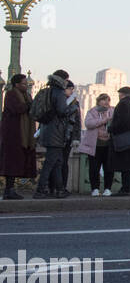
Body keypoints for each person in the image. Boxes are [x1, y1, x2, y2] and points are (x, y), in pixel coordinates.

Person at [33, 69, 75, 198]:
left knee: (57, 161)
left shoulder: (47, 90)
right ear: (63, 80)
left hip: (46, 129)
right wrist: (72, 108)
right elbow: (62, 111)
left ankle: (60, 189)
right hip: (56, 131)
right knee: (50, 162)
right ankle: (40, 190)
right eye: (66, 79)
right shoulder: (59, 93)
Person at [1, 74, 36, 199]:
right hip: (13, 134)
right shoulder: (11, 95)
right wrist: (28, 105)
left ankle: (10, 190)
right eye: (23, 84)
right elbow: (17, 109)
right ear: (16, 84)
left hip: (23, 135)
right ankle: (8, 190)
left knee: (17, 162)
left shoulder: (27, 96)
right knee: (11, 163)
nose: (26, 86)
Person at [106, 86, 130, 196]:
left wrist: (111, 128)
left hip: (123, 140)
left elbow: (121, 122)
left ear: (122, 94)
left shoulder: (122, 104)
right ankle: (128, 188)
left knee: (124, 166)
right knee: (129, 166)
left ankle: (126, 189)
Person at [80, 92, 115, 196]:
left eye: (108, 100)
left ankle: (108, 188)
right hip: (95, 145)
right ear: (98, 101)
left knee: (109, 168)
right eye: (104, 100)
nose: (106, 102)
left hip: (108, 144)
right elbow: (89, 124)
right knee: (94, 168)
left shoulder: (112, 111)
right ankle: (95, 188)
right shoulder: (92, 112)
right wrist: (104, 120)